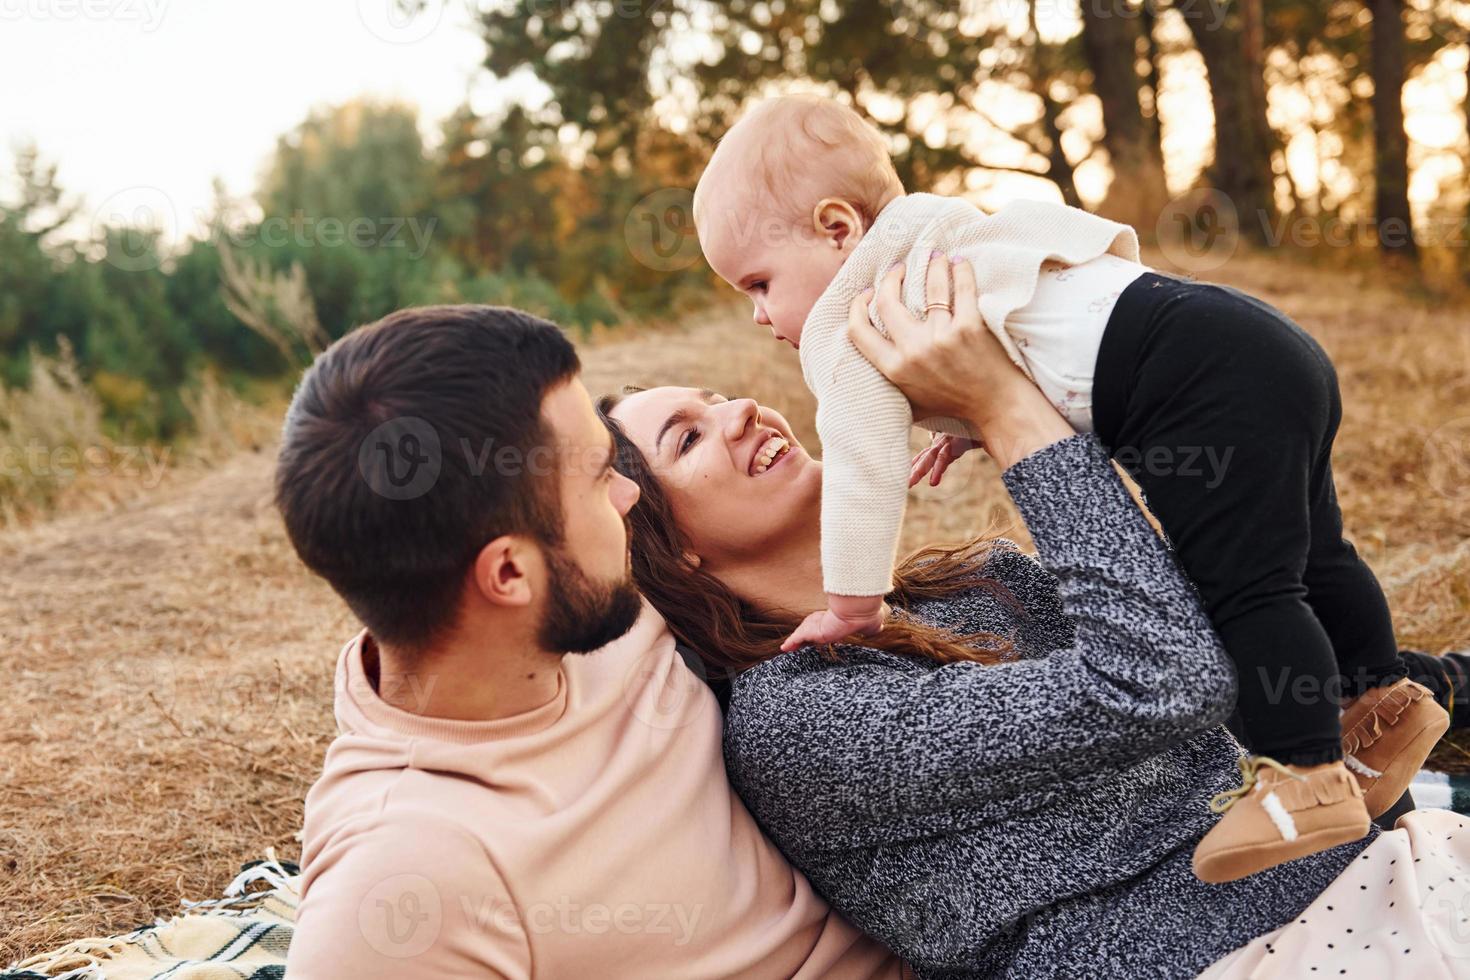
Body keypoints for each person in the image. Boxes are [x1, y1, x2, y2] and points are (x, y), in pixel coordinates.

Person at [600, 256, 1470, 979]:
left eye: (714, 397)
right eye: (687, 437)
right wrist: (1011, 410)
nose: (739, 410)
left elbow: (1216, 639)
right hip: (1247, 954)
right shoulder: (795, 722)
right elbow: (1162, 681)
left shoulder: (974, 585)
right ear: (670, 551)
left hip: (1357, 868)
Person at [691, 93, 1448, 881]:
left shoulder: (852, 320)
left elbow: (861, 463)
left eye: (758, 282)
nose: (758, 316)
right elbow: (1044, 306)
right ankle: (1384, 701)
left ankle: (1303, 774)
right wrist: (965, 425)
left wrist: (854, 602)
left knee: (1246, 587)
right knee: (1319, 553)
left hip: (1188, 385)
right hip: (1247, 335)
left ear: (837, 231)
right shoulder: (946, 235)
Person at [276, 305, 906, 978]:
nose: (632, 495)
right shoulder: (410, 867)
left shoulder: (588, 610)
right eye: (603, 476)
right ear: (511, 573)